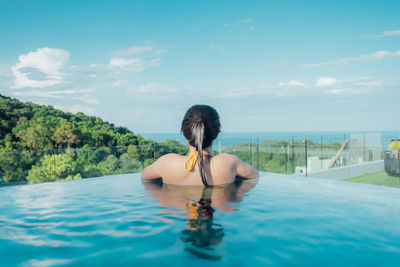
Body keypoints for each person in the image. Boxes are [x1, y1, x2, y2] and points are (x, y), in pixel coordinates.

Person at [141, 105, 259, 186]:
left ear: (184, 132)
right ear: (216, 135)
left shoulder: (166, 163)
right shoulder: (229, 162)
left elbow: (145, 177)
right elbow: (254, 175)